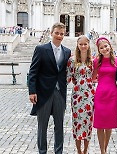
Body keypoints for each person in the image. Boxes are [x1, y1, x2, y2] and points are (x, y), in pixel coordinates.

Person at [28, 22, 71, 154]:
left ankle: (59, 151)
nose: (59, 36)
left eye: (62, 33)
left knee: (59, 126)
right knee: (42, 126)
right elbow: (33, 72)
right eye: (57, 33)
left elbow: (66, 71)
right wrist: (32, 91)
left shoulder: (67, 51)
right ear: (51, 33)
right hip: (43, 92)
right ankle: (42, 151)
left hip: (60, 93)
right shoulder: (41, 49)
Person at [67, 35, 95, 154]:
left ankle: (85, 149)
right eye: (81, 44)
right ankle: (79, 150)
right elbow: (68, 77)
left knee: (88, 122)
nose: (83, 46)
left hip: (90, 94)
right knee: (77, 122)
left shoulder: (93, 60)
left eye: (85, 44)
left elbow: (98, 76)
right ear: (77, 46)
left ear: (88, 45)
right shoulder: (72, 60)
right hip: (77, 95)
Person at [92, 37, 117, 154]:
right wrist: (99, 79)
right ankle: (102, 151)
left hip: (113, 94)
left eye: (106, 46)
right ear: (99, 50)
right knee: (99, 124)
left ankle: (105, 148)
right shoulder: (96, 61)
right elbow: (93, 78)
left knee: (109, 123)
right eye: (102, 48)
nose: (104, 49)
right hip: (100, 94)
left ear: (110, 46)